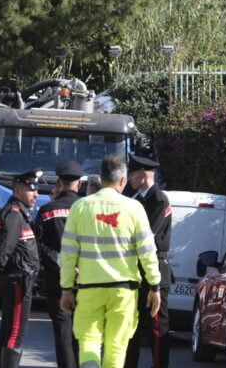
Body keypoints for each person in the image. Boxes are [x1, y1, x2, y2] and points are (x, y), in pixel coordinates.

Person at [59, 155, 161, 368]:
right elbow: (147, 252)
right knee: (117, 347)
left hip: (89, 289)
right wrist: (155, 286)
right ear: (123, 180)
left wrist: (66, 289)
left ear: (100, 178)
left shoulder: (80, 207)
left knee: (89, 341)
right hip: (124, 291)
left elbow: (68, 253)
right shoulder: (134, 208)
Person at [0, 170, 41, 368]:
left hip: (16, 276)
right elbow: (4, 248)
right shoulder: (15, 214)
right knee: (16, 331)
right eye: (30, 190)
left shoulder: (16, 212)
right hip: (18, 278)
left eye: (36, 190)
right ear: (17, 192)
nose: (35, 194)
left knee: (8, 329)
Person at [124, 154, 172, 368]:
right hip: (136, 270)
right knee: (131, 326)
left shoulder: (159, 200)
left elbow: (148, 236)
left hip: (155, 270)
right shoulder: (136, 200)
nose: (128, 178)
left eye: (132, 174)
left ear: (143, 174)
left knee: (156, 328)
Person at [34, 161, 83, 368]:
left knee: (62, 329)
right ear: (79, 184)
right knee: (84, 330)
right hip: (86, 279)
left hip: (56, 280)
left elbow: (39, 245)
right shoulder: (87, 209)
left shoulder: (46, 210)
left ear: (59, 183)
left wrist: (63, 265)